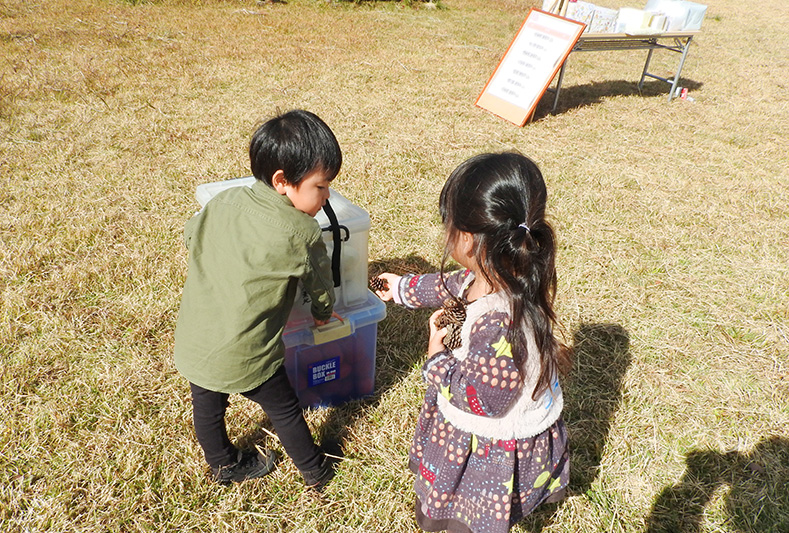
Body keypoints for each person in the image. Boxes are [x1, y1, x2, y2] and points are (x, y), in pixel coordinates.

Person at [374, 152, 573, 532]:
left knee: (464, 519)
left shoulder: (499, 323)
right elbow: (447, 285)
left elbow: (482, 401)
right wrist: (400, 288)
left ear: (466, 238)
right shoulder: (500, 270)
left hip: (487, 446)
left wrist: (436, 359)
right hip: (483, 420)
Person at [174, 109, 343, 488]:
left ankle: (222, 465)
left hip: (195, 341)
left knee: (207, 405)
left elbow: (191, 237)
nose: (327, 195)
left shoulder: (225, 200)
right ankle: (315, 471)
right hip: (247, 353)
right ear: (283, 181)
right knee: (284, 409)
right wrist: (322, 313)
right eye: (321, 186)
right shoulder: (302, 231)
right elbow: (320, 285)